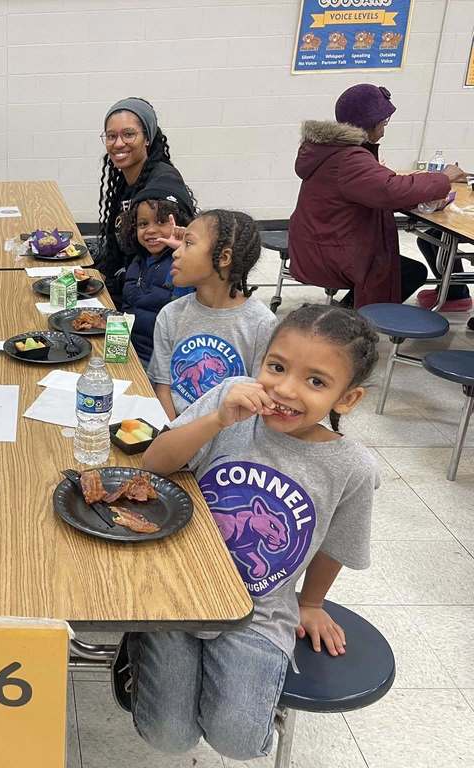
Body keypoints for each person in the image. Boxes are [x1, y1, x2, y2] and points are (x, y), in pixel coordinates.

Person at [122, 304, 380, 761]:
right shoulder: (229, 399)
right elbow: (155, 462)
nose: (285, 389)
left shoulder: (352, 467)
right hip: (177, 592)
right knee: (169, 736)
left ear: (347, 399)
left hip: (258, 610)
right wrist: (217, 419)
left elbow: (336, 546)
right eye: (276, 367)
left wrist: (312, 603)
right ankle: (137, 649)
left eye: (315, 381)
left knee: (239, 740)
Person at [289, 83, 466, 308]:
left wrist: (424, 197)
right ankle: (349, 321)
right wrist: (443, 178)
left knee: (404, 269)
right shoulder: (349, 158)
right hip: (333, 251)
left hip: (319, 243)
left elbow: (375, 192)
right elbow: (390, 190)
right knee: (406, 272)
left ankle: (347, 313)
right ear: (369, 124)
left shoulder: (331, 150)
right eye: (383, 123)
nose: (384, 129)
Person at [148, 210, 276, 420]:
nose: (175, 253)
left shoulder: (261, 322)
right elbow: (163, 387)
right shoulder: (170, 315)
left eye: (188, 244)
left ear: (224, 257)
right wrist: (170, 436)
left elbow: (259, 400)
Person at [95, 97, 195, 297]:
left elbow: (158, 259)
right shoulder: (124, 181)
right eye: (111, 136)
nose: (119, 143)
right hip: (130, 283)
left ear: (147, 138)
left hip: (153, 296)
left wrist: (113, 283)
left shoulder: (162, 185)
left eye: (129, 134)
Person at [117, 176, 196, 364]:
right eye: (143, 224)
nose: (150, 230)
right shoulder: (138, 260)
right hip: (128, 350)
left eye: (161, 222)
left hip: (157, 361)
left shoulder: (183, 265)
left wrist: (187, 249)